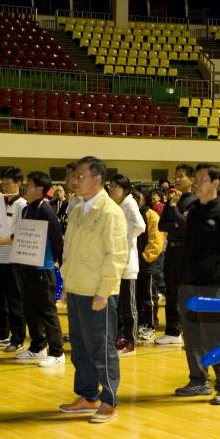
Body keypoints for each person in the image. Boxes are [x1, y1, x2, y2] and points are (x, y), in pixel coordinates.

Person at [57, 156, 129, 424]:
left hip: (98, 293)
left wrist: (105, 291)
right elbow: (70, 252)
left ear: (97, 179)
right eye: (74, 176)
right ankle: (88, 396)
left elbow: (116, 256)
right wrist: (65, 285)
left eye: (80, 176)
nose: (74, 181)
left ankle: (109, 400)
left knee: (101, 348)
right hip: (77, 289)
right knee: (80, 347)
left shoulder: (110, 212)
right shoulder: (77, 209)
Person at [174, 163, 220, 405]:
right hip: (189, 284)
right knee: (192, 337)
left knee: (217, 337)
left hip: (214, 287)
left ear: (215, 183)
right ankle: (198, 381)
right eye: (197, 178)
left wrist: (219, 276)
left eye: (202, 178)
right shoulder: (192, 211)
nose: (196, 182)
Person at [14, 171, 65, 367]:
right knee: (29, 308)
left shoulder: (46, 210)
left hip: (43, 268)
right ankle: (37, 346)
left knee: (47, 310)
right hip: (27, 266)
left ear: (40, 189)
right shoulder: (27, 209)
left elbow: (56, 238)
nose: (25, 187)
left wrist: (55, 261)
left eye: (29, 184)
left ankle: (57, 351)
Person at [0, 167, 28, 353]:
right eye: (3, 183)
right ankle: (1, 335)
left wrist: (0, 240)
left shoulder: (22, 205)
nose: (5, 186)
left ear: (18, 184)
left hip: (14, 261)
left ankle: (18, 338)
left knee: (15, 301)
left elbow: (23, 233)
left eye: (9, 183)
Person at [157, 164, 197, 345]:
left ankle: (186, 328)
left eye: (181, 176)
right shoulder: (172, 200)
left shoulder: (194, 201)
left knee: (184, 291)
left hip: (185, 250)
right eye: (176, 176)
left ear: (191, 179)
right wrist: (174, 213)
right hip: (171, 249)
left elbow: (186, 227)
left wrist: (174, 210)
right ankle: (172, 331)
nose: (177, 179)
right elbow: (162, 225)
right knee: (170, 290)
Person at [107, 174, 147, 355]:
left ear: (126, 190)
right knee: (117, 305)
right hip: (115, 262)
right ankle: (120, 336)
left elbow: (140, 225)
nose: (112, 189)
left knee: (129, 305)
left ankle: (130, 340)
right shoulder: (114, 205)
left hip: (127, 262)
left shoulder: (130, 204)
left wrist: (124, 238)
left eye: (117, 186)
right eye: (111, 186)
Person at [137, 188, 166, 342]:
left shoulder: (152, 215)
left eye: (138, 196)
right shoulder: (133, 214)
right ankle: (141, 322)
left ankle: (150, 325)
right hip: (137, 263)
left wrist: (144, 257)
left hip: (149, 263)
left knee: (149, 296)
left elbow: (156, 242)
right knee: (139, 295)